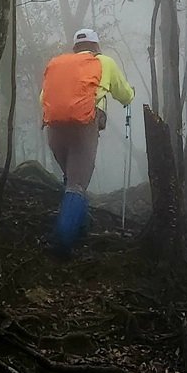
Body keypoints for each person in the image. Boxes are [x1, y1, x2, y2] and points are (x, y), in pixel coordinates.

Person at [41, 27, 134, 255]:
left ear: (75, 48)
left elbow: (43, 98)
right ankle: (62, 243)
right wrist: (130, 94)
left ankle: (80, 228)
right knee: (77, 184)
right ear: (96, 46)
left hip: (54, 130)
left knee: (72, 178)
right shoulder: (104, 62)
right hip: (83, 128)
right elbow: (124, 94)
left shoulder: (58, 66)